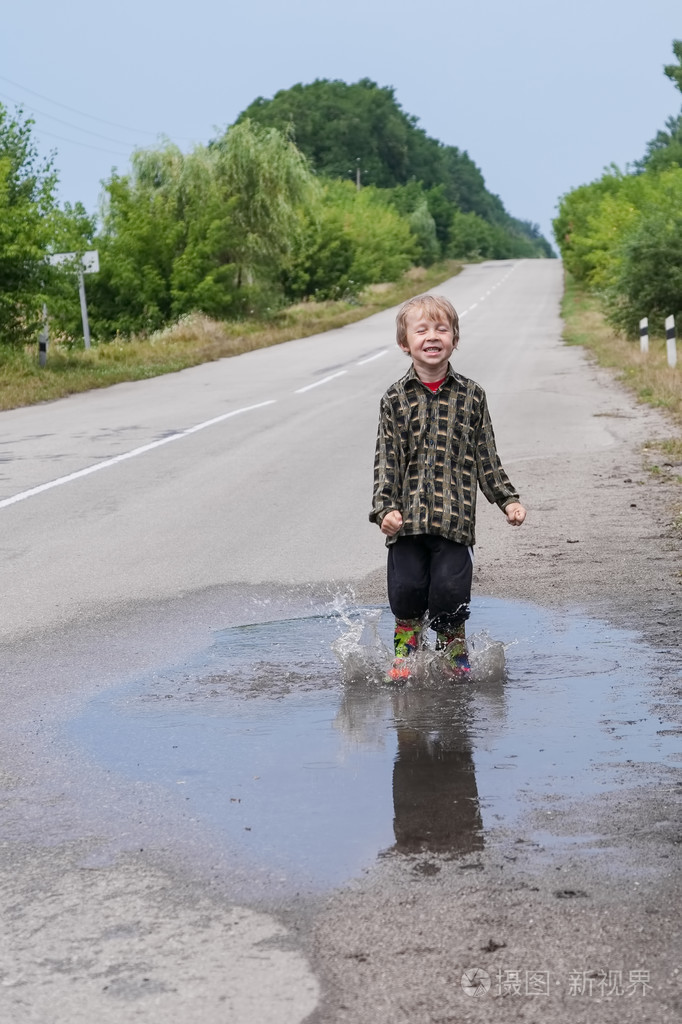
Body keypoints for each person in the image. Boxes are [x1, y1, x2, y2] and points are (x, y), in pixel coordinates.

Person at [369, 293, 526, 682]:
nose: (432, 336)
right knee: (406, 590)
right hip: (406, 523)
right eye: (421, 329)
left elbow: (486, 455)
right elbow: (387, 459)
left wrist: (506, 498)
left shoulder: (472, 395)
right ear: (405, 343)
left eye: (442, 328)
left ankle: (453, 653)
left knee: (450, 594)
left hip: (455, 521)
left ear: (455, 338)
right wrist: (384, 508)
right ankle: (406, 654)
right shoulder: (394, 398)